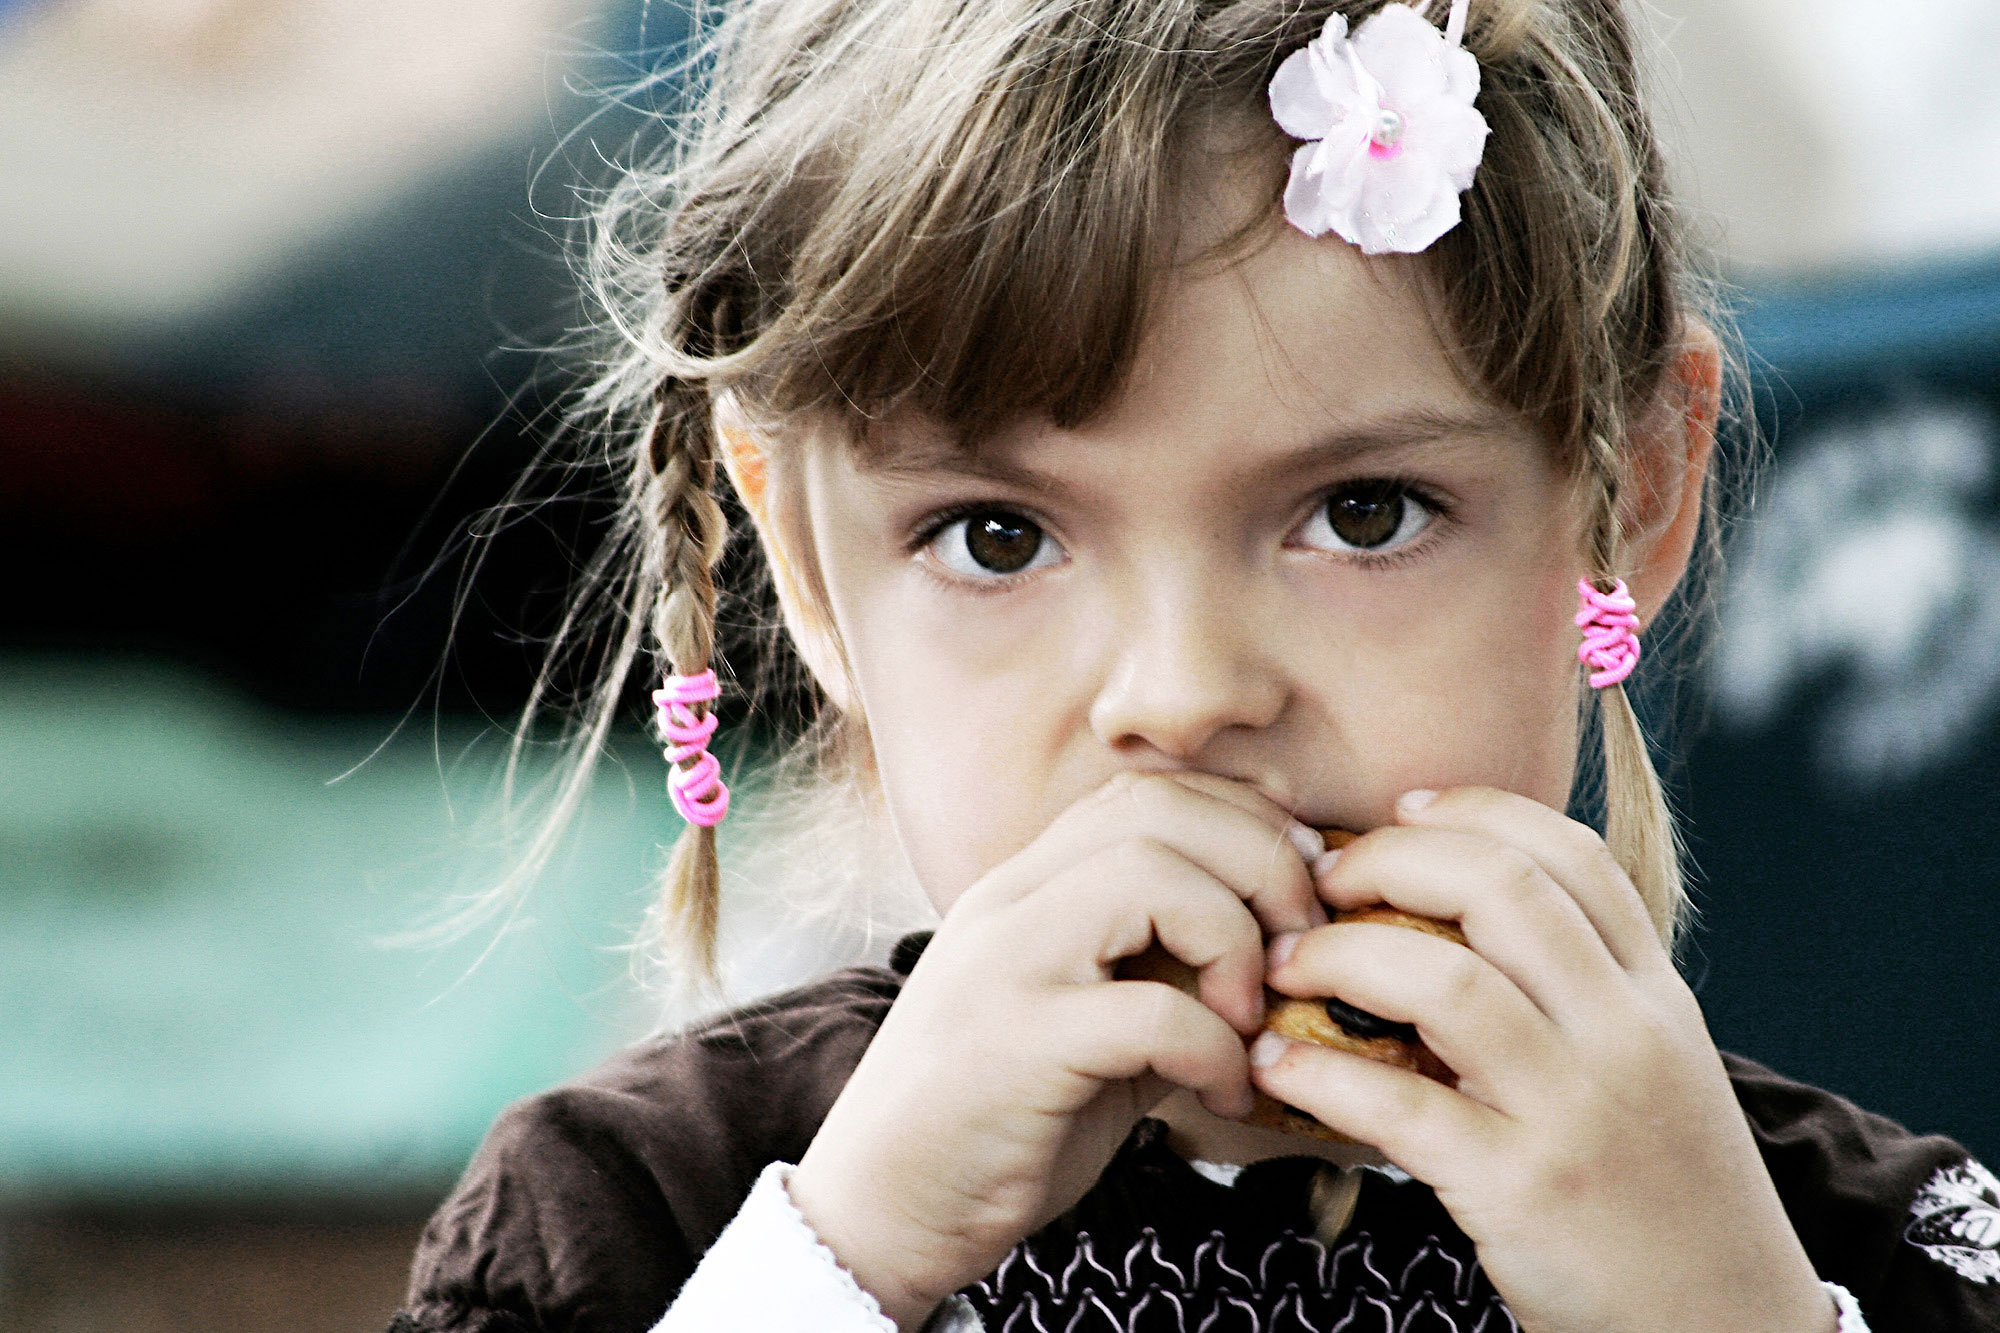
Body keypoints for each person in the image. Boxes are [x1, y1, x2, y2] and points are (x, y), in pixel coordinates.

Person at [388, 1, 2000, 1330]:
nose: (1181, 692)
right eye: (997, 537)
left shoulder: (1854, 1246)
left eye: (1364, 514)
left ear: (1632, 491)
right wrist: (844, 1267)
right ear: (809, 568)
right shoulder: (624, 1221)